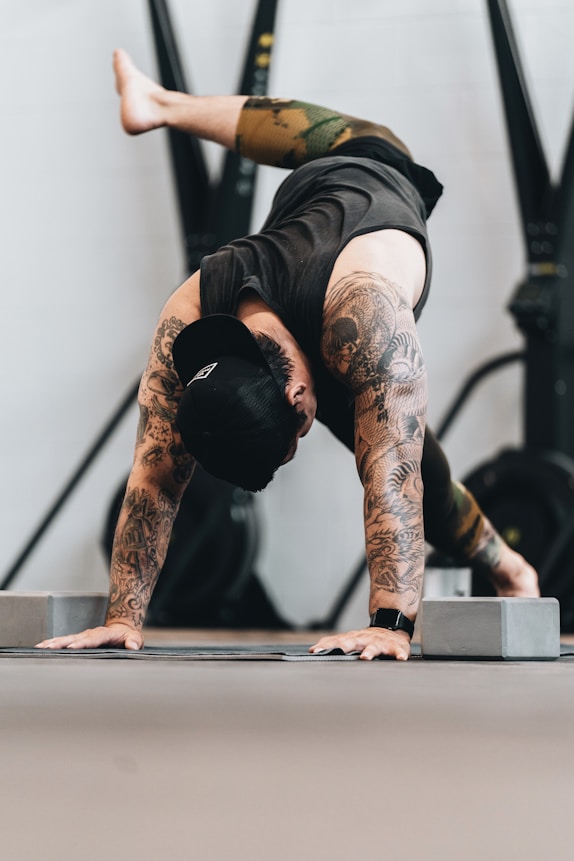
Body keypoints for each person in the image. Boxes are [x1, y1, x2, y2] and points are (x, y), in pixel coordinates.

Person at [36, 49, 539, 660]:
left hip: (360, 174)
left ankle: (162, 104)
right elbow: (155, 478)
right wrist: (123, 616)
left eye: (294, 438)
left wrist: (390, 621)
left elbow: (392, 473)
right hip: (312, 245)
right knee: (401, 456)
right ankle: (157, 106)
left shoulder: (366, 313)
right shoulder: (189, 316)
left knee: (420, 470)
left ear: (300, 396)